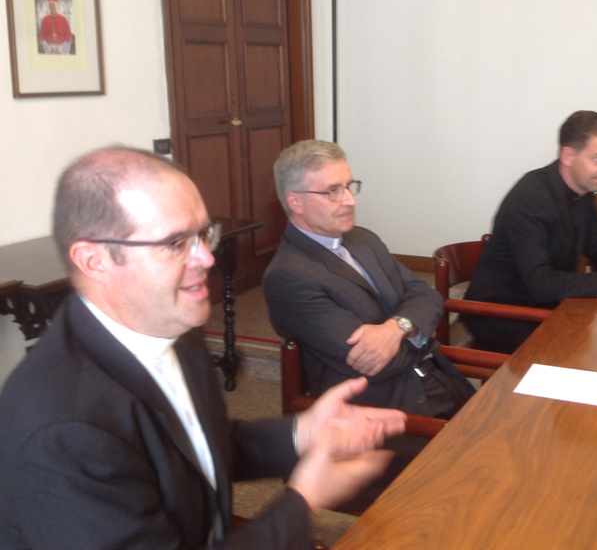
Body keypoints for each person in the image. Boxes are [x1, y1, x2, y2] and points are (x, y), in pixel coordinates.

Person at [0, 147, 405, 550]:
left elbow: (197, 448)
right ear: (94, 261)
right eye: (176, 242)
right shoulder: (64, 431)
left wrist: (303, 433)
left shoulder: (174, 326)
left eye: (203, 233)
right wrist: (304, 500)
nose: (207, 257)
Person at [263, 140, 474, 419]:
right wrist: (418, 330)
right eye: (333, 191)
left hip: (438, 378)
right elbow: (379, 364)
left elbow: (426, 294)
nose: (350, 200)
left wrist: (397, 327)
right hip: (383, 412)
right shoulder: (288, 276)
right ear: (295, 202)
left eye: (349, 186)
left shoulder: (362, 239)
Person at [463, 110, 597, 353]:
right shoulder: (531, 198)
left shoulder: (580, 191)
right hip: (502, 316)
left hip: (545, 305)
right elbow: (542, 284)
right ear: (568, 155)